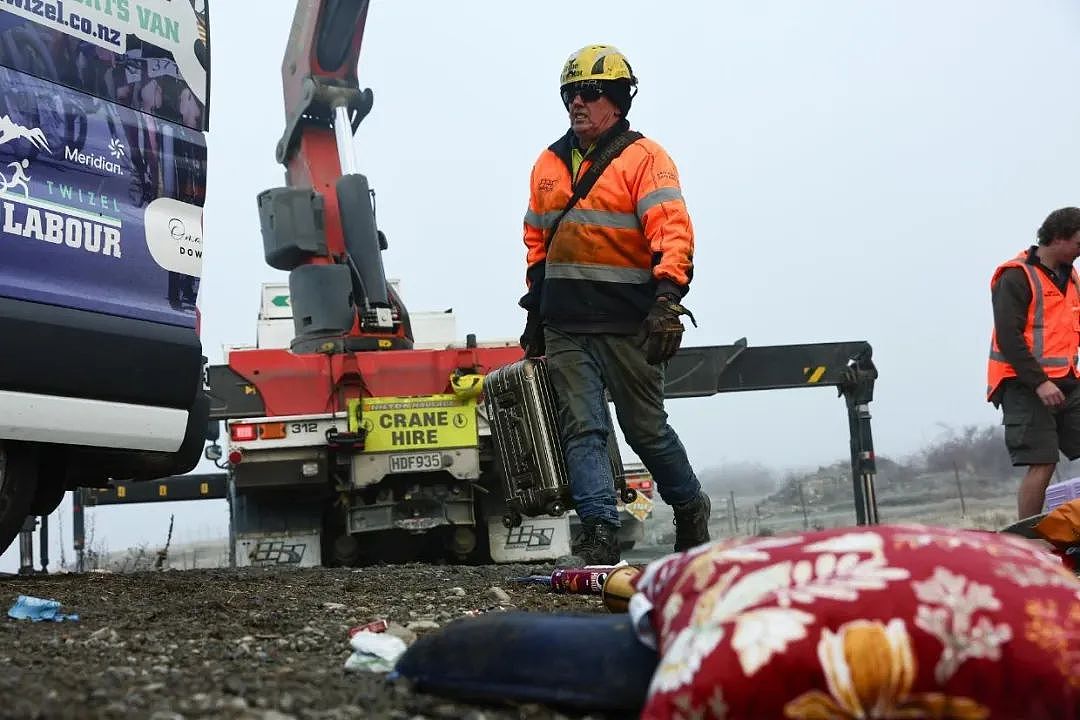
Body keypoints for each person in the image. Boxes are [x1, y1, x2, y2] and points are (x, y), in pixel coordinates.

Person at [517, 44, 710, 565]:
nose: (577, 102)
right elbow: (537, 242)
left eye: (590, 93)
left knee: (645, 429)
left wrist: (667, 299)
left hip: (629, 320)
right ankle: (599, 533)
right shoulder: (548, 163)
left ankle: (691, 507)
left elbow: (673, 231)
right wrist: (536, 312)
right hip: (565, 322)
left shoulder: (646, 160)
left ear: (619, 99)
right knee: (583, 427)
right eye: (569, 93)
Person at [987, 206, 1080, 520]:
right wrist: (1040, 382)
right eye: (1079, 243)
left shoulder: (1071, 277)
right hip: (1025, 384)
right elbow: (1008, 337)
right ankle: (1027, 541)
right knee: (1043, 461)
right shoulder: (1016, 276)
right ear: (1058, 238)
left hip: (1066, 379)